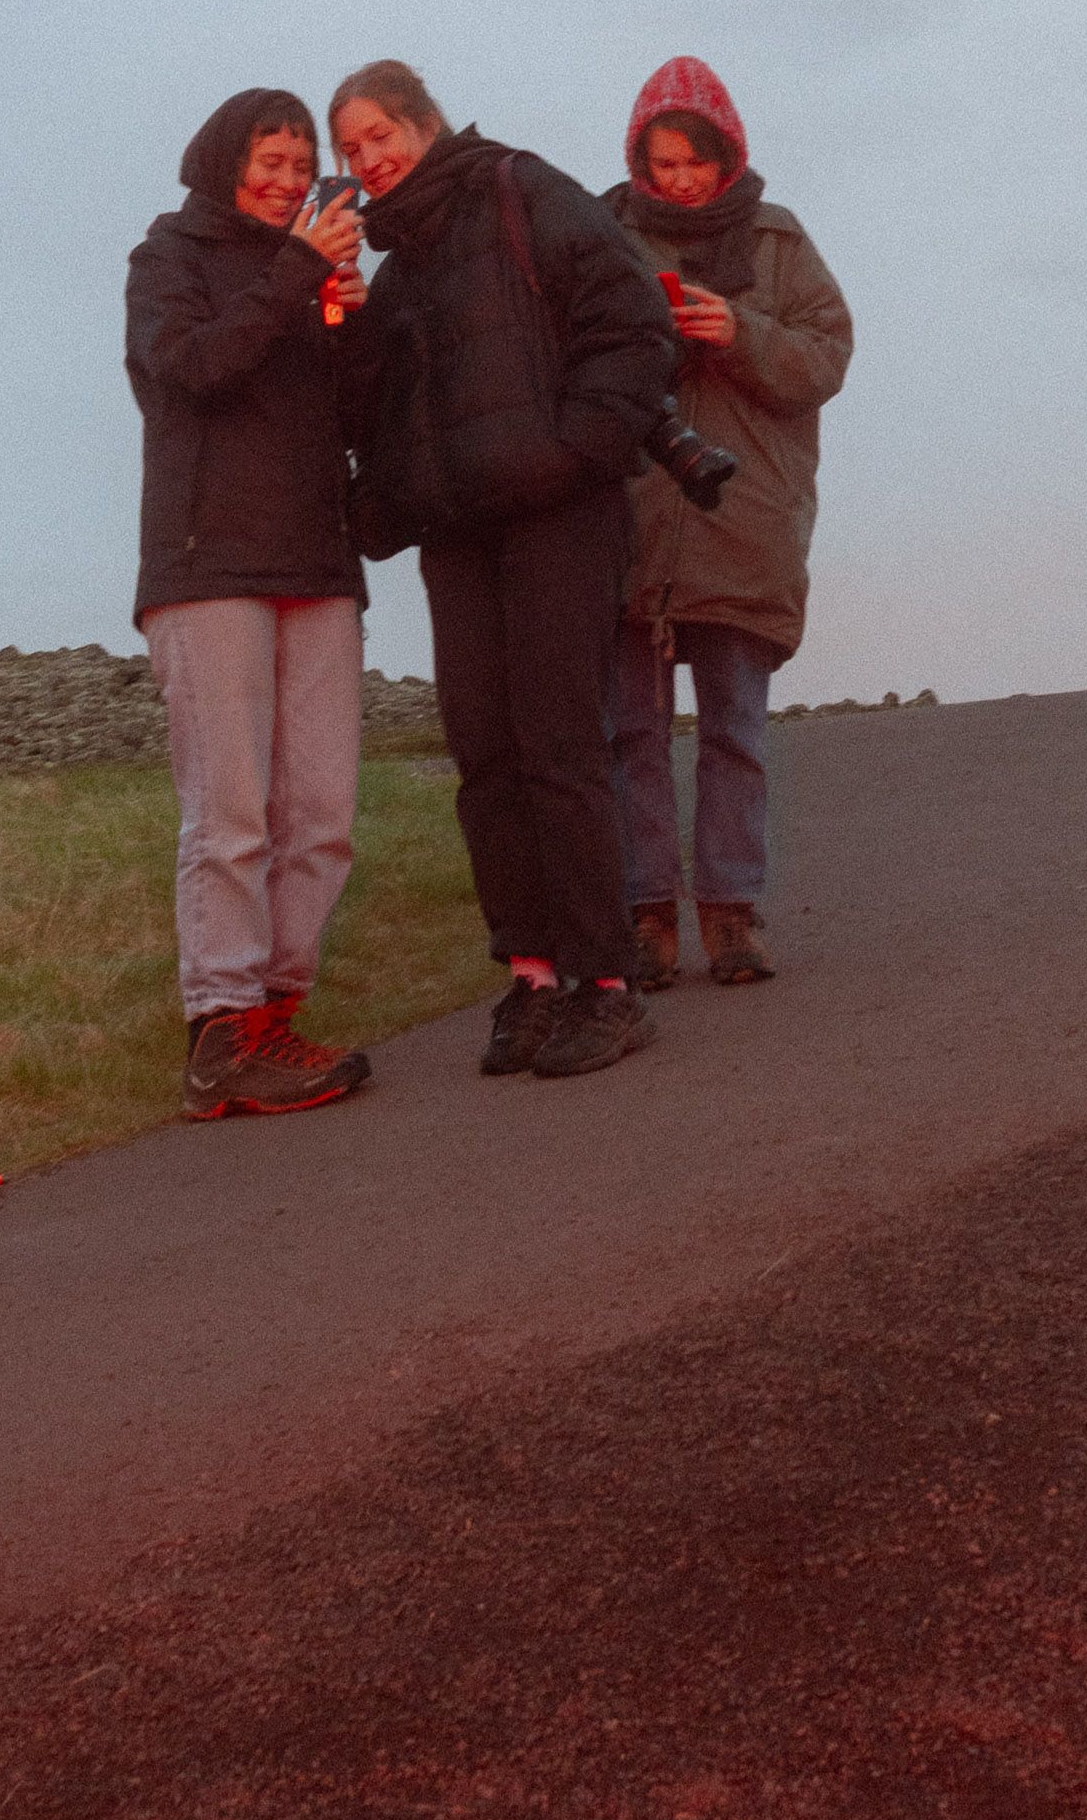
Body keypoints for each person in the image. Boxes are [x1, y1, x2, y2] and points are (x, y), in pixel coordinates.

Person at [329, 57, 675, 1081]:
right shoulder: (397, 268)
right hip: (459, 531)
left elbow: (632, 322)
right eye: (349, 148)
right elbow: (368, 418)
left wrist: (575, 451)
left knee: (559, 743)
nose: (366, 159)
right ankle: (532, 974)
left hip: (560, 515)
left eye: (377, 135)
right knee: (485, 754)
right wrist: (346, 322)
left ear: (423, 122)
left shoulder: (522, 188)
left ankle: (605, 983)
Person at [124, 86, 374, 1120]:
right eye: (269, 162)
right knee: (231, 814)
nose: (286, 181)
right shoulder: (167, 257)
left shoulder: (307, 274)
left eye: (301, 165)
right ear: (226, 162)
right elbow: (193, 370)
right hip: (208, 567)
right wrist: (297, 272)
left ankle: (273, 1017)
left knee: (319, 817)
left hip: (317, 561)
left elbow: (358, 416)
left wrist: (352, 320)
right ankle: (222, 1028)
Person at [602, 56, 854, 988]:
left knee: (733, 733)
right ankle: (646, 919)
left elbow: (826, 358)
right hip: (629, 519)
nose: (678, 181)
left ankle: (732, 916)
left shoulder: (779, 240)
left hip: (745, 519)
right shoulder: (603, 234)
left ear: (728, 154)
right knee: (629, 735)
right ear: (638, 160)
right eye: (661, 163)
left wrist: (739, 333)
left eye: (694, 162)